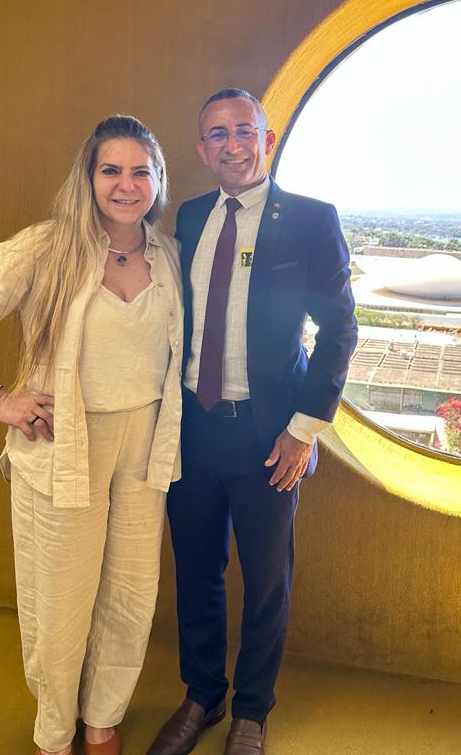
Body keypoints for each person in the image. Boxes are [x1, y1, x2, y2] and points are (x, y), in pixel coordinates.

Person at [0, 116, 183, 755]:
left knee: (130, 592)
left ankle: (102, 717)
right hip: (64, 444)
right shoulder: (44, 248)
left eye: (140, 172)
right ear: (88, 177)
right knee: (61, 599)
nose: (126, 185)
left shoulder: (168, 254)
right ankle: (54, 732)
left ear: (158, 179)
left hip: (146, 443)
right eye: (111, 170)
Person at [147, 89, 357, 755]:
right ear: (201, 148)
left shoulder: (311, 220)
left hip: (270, 437)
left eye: (244, 131)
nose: (232, 145)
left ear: (266, 140)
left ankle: (252, 712)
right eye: (217, 134)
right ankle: (202, 695)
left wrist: (303, 430)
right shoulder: (189, 216)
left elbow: (340, 330)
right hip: (193, 428)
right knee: (196, 572)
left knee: (267, 581)